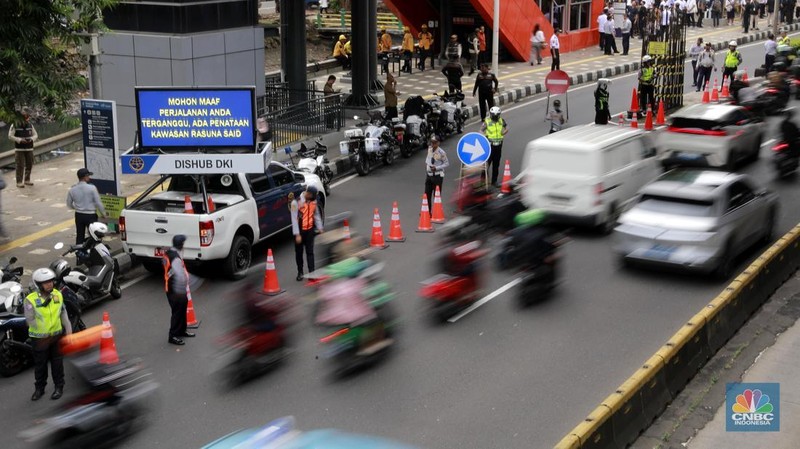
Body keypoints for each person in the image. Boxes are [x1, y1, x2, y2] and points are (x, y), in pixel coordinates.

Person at [26, 267, 72, 401]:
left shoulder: (57, 295)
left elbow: (63, 315)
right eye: (45, 283)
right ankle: (39, 389)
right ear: (38, 285)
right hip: (40, 339)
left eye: (51, 281)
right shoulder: (30, 300)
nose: (49, 284)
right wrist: (44, 335)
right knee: (40, 366)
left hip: (56, 336)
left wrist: (69, 333)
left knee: (57, 364)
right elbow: (29, 320)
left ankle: (59, 387)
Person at [163, 234, 194, 346]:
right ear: (180, 245)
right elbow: (179, 275)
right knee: (177, 312)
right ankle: (173, 336)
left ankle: (181, 330)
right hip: (175, 290)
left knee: (182, 310)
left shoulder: (169, 253)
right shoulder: (175, 258)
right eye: (183, 243)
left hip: (176, 289)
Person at [66, 168, 107, 245]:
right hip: (91, 215)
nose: (89, 178)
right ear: (85, 177)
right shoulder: (92, 188)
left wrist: (76, 207)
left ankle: (79, 251)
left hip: (79, 215)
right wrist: (103, 214)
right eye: (88, 176)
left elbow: (69, 204)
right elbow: (98, 202)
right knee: (94, 235)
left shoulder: (72, 189)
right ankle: (92, 250)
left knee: (80, 235)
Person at [291, 186, 323, 281]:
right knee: (299, 253)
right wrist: (297, 234)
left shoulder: (313, 201)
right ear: (308, 193)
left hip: (309, 231)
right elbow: (294, 219)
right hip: (300, 231)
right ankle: (300, 272)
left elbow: (316, 214)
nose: (314, 199)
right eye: (312, 196)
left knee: (310, 252)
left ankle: (312, 273)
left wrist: (320, 227)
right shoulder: (295, 202)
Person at [7, 108, 38, 189]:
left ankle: (27, 180)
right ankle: (19, 182)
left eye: (27, 116)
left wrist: (31, 139)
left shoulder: (30, 125)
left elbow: (36, 135)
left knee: (29, 164)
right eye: (24, 116)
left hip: (29, 148)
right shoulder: (14, 125)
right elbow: (10, 136)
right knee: (20, 165)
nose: (26, 118)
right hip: (19, 149)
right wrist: (19, 140)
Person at [480, 106, 509, 187]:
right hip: (490, 146)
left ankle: (494, 181)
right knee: (486, 164)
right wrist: (485, 136)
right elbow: (481, 130)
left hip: (499, 145)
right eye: (494, 115)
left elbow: (507, 127)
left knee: (496, 164)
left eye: (497, 115)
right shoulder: (487, 121)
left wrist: (504, 132)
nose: (495, 117)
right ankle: (483, 181)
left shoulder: (501, 120)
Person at [424, 135, 449, 212]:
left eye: (434, 142)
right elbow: (428, 160)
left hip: (437, 176)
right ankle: (428, 212)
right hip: (429, 175)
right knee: (427, 194)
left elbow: (446, 163)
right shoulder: (429, 149)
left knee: (436, 195)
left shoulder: (442, 152)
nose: (433, 144)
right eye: (431, 142)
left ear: (438, 143)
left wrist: (437, 168)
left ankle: (436, 212)